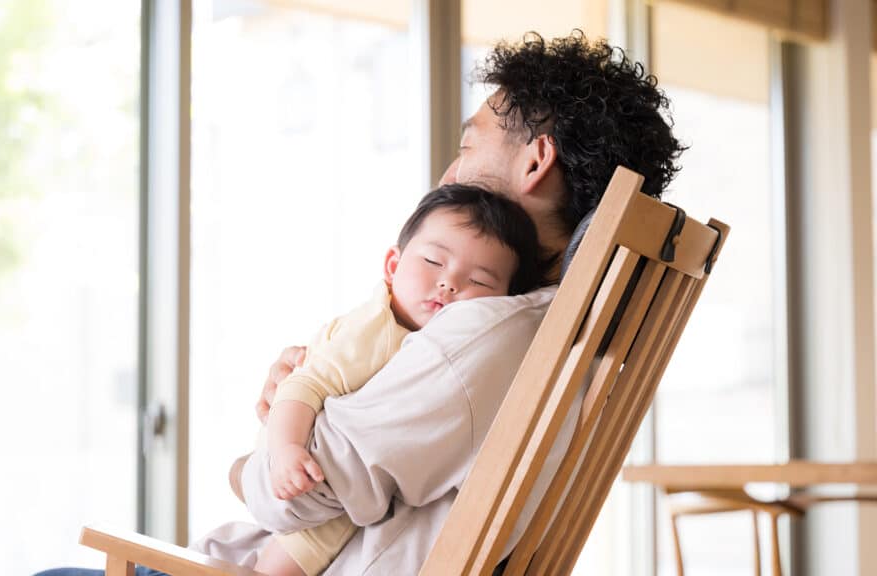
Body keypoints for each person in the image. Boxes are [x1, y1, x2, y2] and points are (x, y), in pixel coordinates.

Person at [36, 30, 683, 576]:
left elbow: (284, 500)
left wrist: (266, 440)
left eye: (468, 145)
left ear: (535, 160)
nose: (449, 176)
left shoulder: (485, 334)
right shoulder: (567, 333)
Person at [250, 184, 546, 576]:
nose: (449, 283)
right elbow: (303, 385)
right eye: (433, 262)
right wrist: (285, 449)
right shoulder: (374, 328)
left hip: (337, 510)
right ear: (393, 264)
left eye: (479, 281)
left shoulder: (467, 339)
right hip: (302, 478)